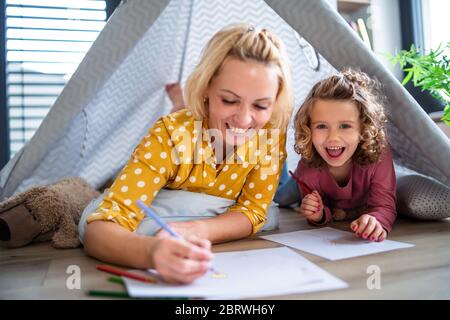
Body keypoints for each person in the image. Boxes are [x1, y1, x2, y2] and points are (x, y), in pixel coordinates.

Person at [79, 23, 293, 283]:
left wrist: (197, 229)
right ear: (206, 88)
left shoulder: (270, 135)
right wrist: (153, 252)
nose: (245, 119)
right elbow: (100, 228)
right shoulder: (169, 135)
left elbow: (254, 210)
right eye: (229, 100)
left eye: (260, 106)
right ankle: (179, 102)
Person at [282, 69, 396, 242]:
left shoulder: (379, 156)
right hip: (299, 177)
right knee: (281, 198)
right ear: (308, 129)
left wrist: (377, 220)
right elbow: (323, 211)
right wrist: (317, 214)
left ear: (363, 129)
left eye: (345, 126)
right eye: (321, 126)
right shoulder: (308, 169)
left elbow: (384, 205)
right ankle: (280, 171)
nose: (333, 137)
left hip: (360, 192)